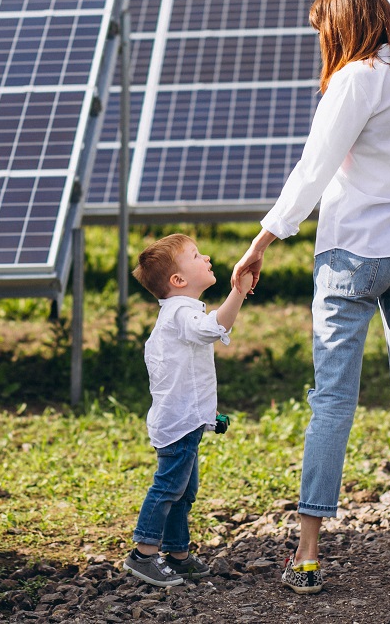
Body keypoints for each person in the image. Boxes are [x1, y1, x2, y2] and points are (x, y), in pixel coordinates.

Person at [230, 0, 390, 594]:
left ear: (342, 26)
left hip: (352, 255)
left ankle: (307, 555)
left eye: (323, 30)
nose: (321, 41)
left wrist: (264, 239)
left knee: (333, 401)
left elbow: (314, 166)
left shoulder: (355, 79)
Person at [123, 233, 254, 587]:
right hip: (178, 425)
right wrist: (238, 292)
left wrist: (209, 417)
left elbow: (189, 375)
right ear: (178, 281)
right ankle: (143, 554)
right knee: (168, 489)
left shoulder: (180, 313)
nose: (206, 258)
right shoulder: (181, 313)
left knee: (184, 491)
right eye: (196, 256)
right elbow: (213, 330)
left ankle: (178, 554)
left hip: (186, 422)